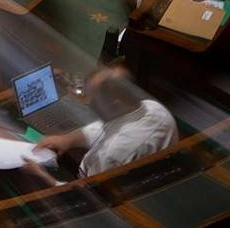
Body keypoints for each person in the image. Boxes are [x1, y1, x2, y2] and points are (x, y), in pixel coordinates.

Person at [22, 66, 176, 184]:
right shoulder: (153, 107)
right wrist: (67, 140)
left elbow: (87, 196)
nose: (87, 103)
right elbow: (106, 127)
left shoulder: (111, 154)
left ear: (116, 103)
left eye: (92, 98)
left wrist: (43, 177)